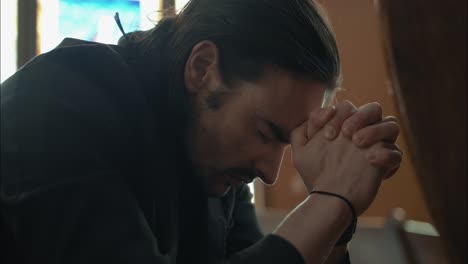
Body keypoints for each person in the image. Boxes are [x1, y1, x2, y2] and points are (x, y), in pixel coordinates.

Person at [0, 0, 402, 263]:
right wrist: (332, 201)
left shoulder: (210, 168)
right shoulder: (56, 104)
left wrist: (335, 225)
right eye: (265, 132)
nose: (271, 171)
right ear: (202, 67)